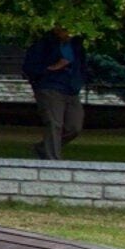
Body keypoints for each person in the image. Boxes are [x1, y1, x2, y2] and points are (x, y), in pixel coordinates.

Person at [22, 32, 89, 160]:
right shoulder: (43, 44)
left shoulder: (76, 44)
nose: (69, 33)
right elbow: (29, 68)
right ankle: (52, 158)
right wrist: (51, 68)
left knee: (74, 127)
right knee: (54, 123)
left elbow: (81, 66)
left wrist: (79, 80)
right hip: (50, 87)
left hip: (71, 89)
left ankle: (43, 147)